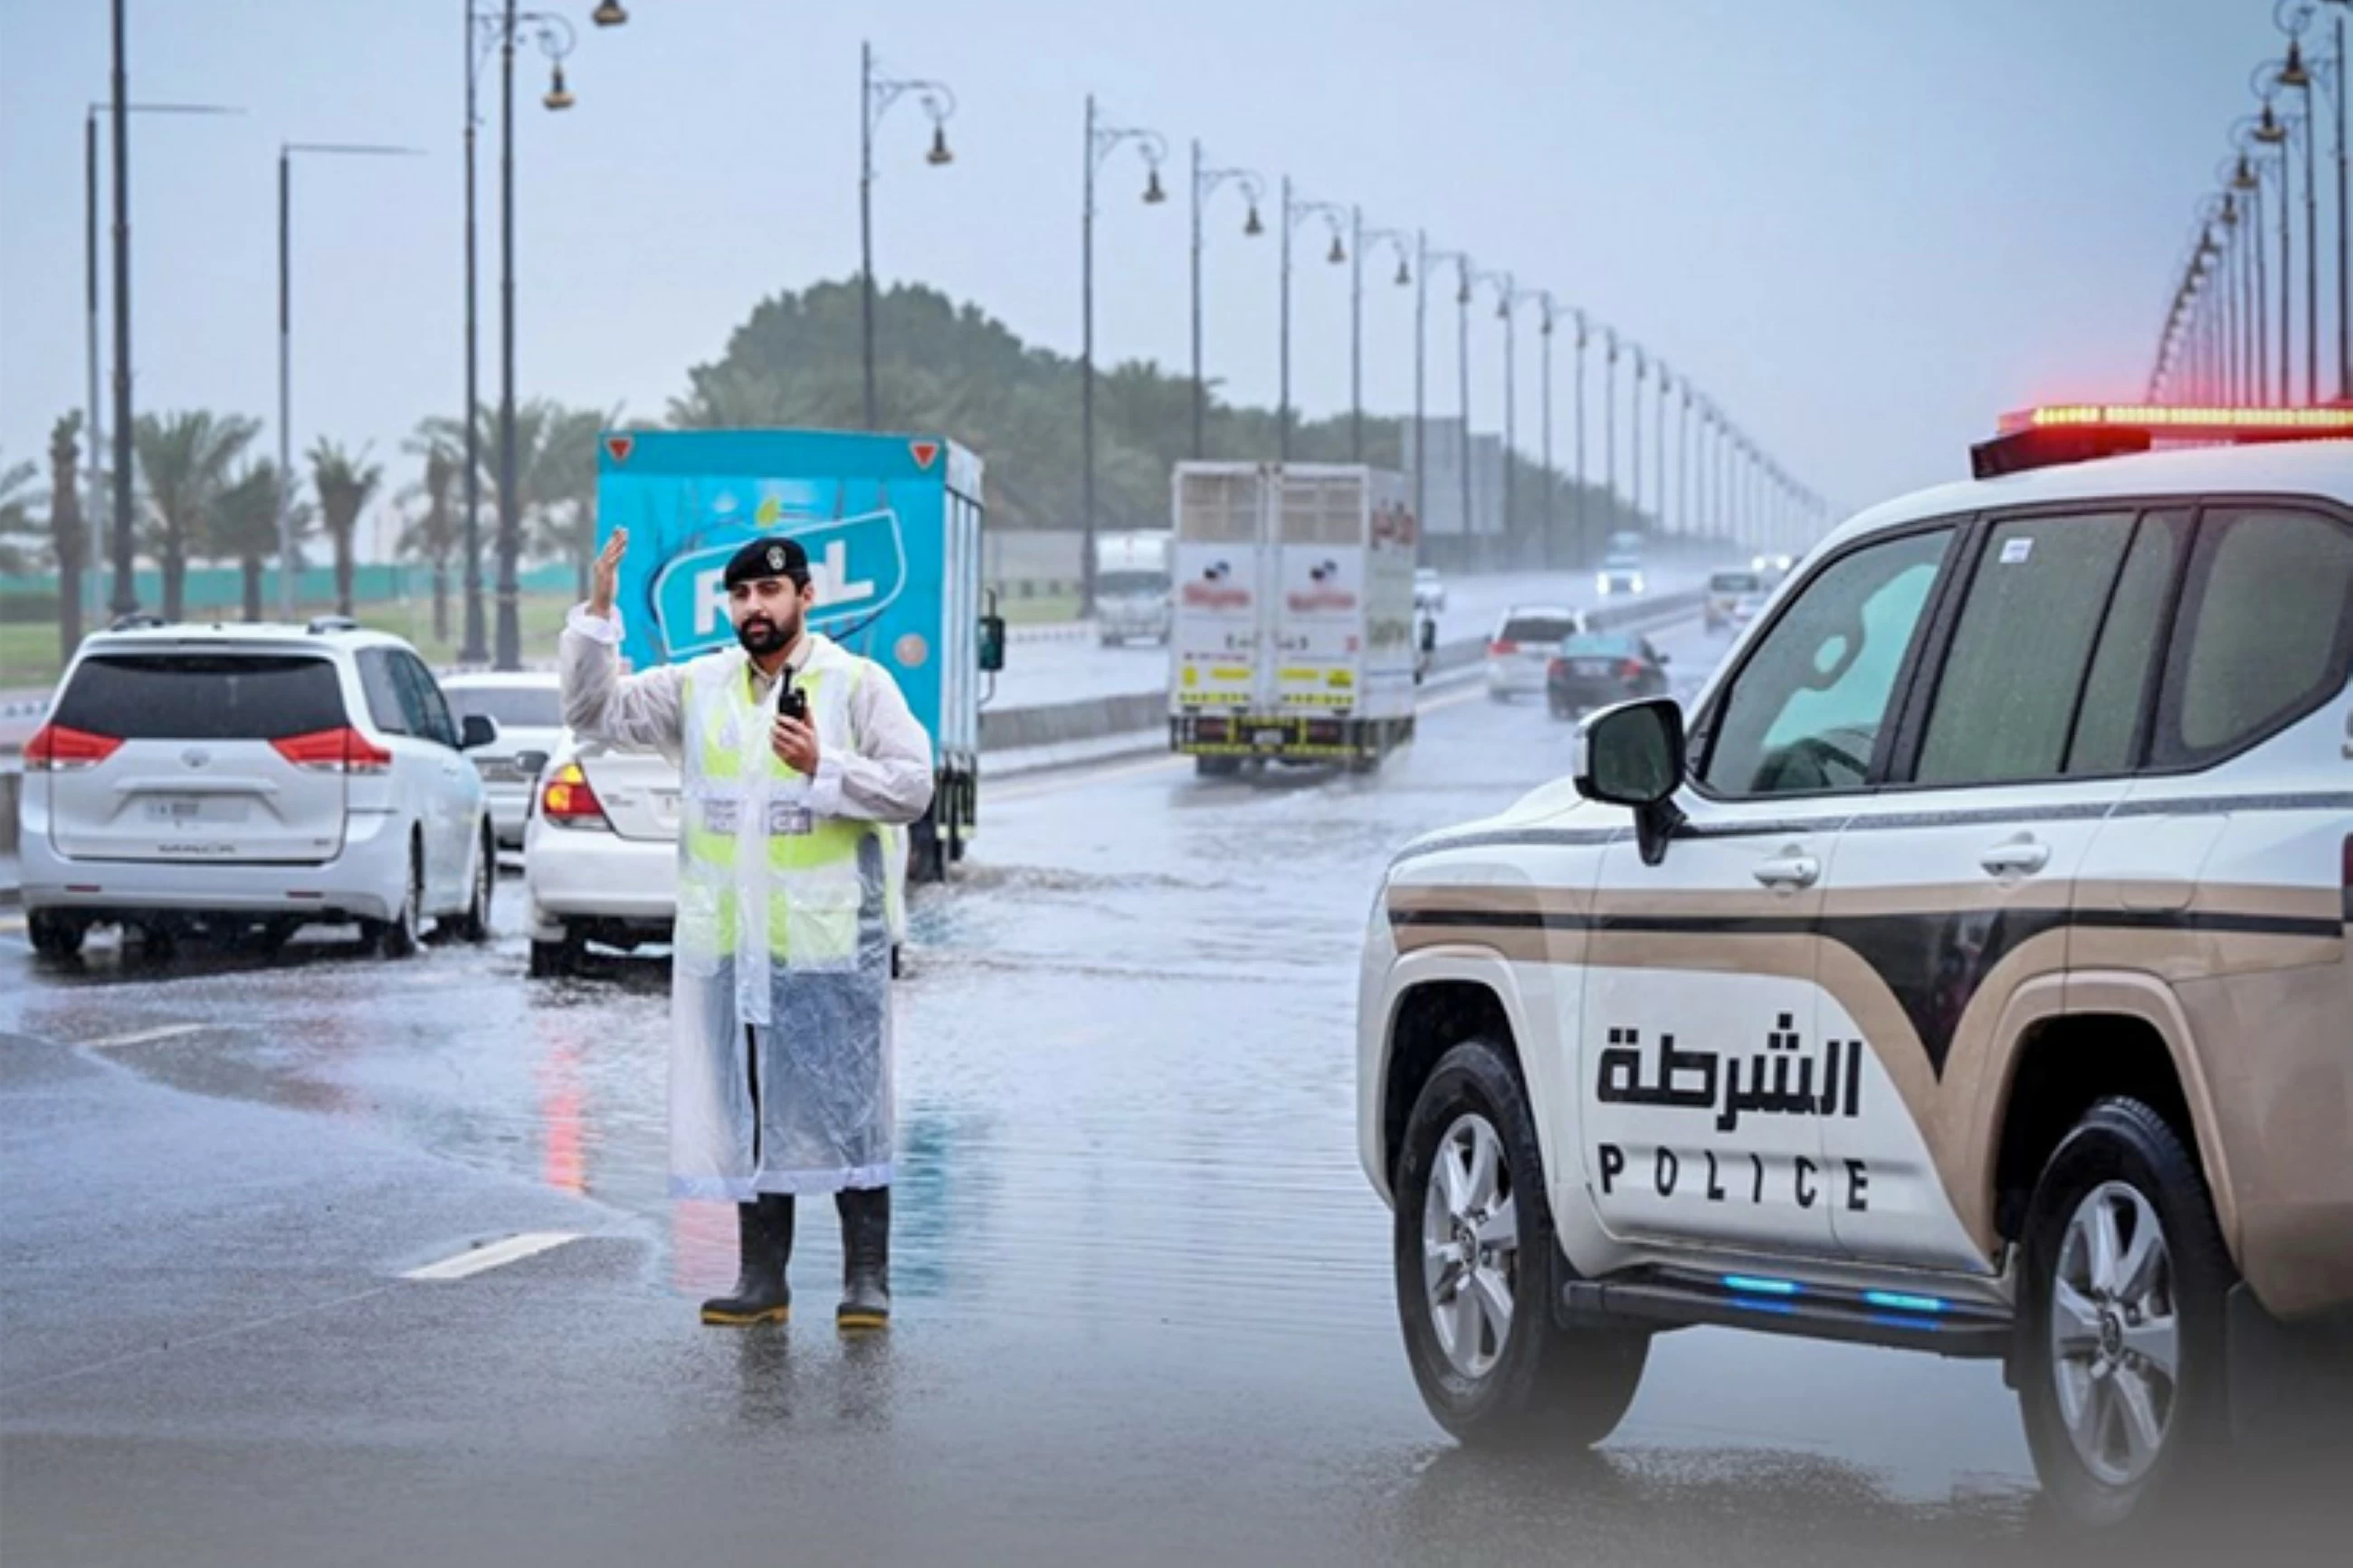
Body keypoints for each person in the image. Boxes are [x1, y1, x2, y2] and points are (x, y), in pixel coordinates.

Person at [559, 528, 935, 1330]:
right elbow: (594, 712)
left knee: (849, 1109)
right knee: (750, 1112)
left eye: (770, 592)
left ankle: (867, 1279)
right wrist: (598, 613)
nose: (754, 608)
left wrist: (825, 768)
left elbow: (913, 786)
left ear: (806, 596)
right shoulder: (700, 686)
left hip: (829, 947)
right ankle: (762, 1278)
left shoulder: (857, 685)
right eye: (740, 595)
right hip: (732, 949)